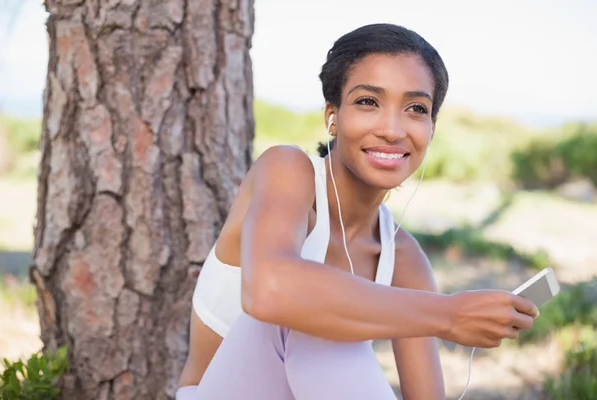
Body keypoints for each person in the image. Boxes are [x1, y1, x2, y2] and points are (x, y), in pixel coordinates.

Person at [176, 23, 538, 400]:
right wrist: (449, 315)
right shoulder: (287, 170)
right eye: (368, 101)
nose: (393, 129)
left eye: (416, 109)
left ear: (431, 128)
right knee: (308, 313)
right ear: (333, 115)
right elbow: (268, 292)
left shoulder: (403, 258)